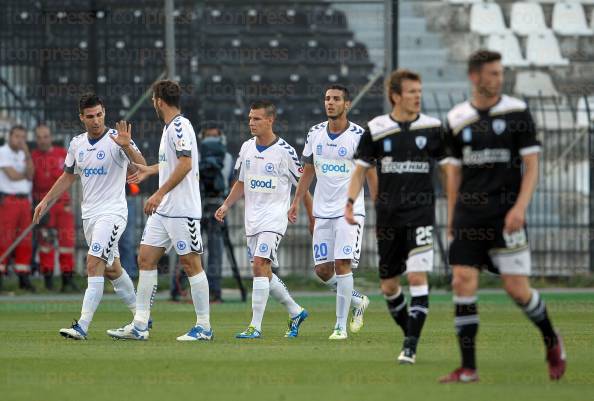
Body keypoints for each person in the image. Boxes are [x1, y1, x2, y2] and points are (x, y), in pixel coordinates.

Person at [438, 50, 566, 383]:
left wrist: (520, 207)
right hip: (468, 216)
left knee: (517, 290)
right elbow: (452, 174)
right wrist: (452, 217)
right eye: (492, 73)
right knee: (462, 281)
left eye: (500, 72)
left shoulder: (517, 113)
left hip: (505, 214)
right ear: (474, 76)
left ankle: (552, 340)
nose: (499, 78)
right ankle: (468, 368)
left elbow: (532, 166)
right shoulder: (456, 118)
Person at [345, 69, 449, 363]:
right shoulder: (376, 128)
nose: (418, 96)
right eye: (412, 92)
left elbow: (449, 168)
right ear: (395, 96)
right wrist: (350, 202)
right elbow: (361, 169)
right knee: (389, 286)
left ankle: (410, 347)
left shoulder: (432, 128)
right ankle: (410, 334)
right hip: (388, 218)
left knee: (417, 276)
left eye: (420, 91)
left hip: (421, 214)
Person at [33, 93, 145, 340]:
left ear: (104, 112)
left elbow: (142, 167)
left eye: (99, 115)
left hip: (113, 213)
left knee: (93, 262)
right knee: (112, 269)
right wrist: (46, 200)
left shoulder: (118, 140)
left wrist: (127, 146)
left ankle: (82, 325)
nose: (96, 120)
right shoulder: (77, 144)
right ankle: (142, 318)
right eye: (90, 116)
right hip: (90, 215)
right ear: (81, 117)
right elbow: (68, 176)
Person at [109, 80, 213, 342]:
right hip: (165, 210)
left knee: (191, 264)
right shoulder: (170, 128)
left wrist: (158, 193)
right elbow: (173, 163)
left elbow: (187, 164)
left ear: (159, 101)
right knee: (146, 257)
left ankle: (204, 327)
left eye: (153, 99)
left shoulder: (179, 126)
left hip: (182, 209)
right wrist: (150, 169)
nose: (153, 103)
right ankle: (140, 324)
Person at [215, 100, 310, 339]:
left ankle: (255, 326)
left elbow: (303, 185)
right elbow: (241, 183)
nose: (251, 123)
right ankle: (295, 310)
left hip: (275, 217)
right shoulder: (247, 147)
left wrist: (310, 214)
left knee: (259, 265)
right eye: (249, 118)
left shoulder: (285, 152)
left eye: (256, 118)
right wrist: (226, 204)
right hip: (252, 219)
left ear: (270, 120)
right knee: (264, 271)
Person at [288, 85, 376, 340]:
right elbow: (308, 170)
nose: (330, 103)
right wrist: (296, 202)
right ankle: (357, 301)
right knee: (323, 271)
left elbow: (371, 173)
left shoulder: (360, 136)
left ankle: (340, 326)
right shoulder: (314, 133)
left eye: (336, 99)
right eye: (327, 98)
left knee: (342, 264)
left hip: (350, 212)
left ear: (347, 104)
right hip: (322, 211)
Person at [31, 124, 77, 292]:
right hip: (43, 205)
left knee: (67, 242)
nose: (43, 140)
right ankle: (48, 282)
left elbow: (71, 176)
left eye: (45, 136)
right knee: (46, 244)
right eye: (39, 137)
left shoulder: (61, 154)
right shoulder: (33, 157)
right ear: (36, 139)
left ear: (50, 137)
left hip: (62, 205)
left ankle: (67, 281)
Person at [199, 126, 234, 303]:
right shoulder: (196, 156)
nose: (211, 140)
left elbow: (230, 183)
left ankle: (215, 291)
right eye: (208, 136)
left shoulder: (227, 158)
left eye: (215, 136)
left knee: (216, 250)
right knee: (192, 249)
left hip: (218, 205)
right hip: (198, 205)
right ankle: (190, 289)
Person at [0, 125, 35, 292]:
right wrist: (25, 174)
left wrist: (27, 154)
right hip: (9, 200)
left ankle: (23, 276)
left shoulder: (23, 154)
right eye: (17, 136)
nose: (20, 140)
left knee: (25, 239)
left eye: (23, 137)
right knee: (5, 239)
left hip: (24, 201)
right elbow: (12, 176)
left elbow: (31, 173)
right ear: (10, 136)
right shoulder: (3, 152)